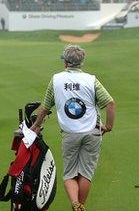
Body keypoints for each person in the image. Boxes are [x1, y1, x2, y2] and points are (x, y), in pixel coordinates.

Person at [30, 45, 115, 211]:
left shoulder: (56, 80)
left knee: (70, 174)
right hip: (93, 132)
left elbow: (45, 108)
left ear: (65, 62)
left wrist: (35, 126)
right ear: (81, 63)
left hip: (70, 134)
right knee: (85, 174)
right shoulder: (91, 80)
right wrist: (109, 126)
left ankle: (76, 204)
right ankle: (79, 206)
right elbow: (110, 103)